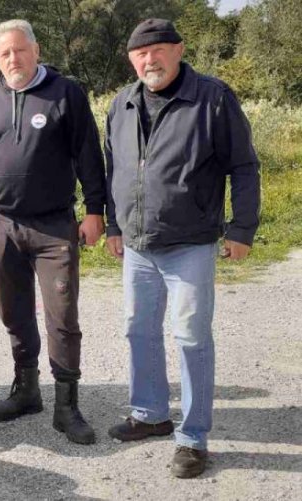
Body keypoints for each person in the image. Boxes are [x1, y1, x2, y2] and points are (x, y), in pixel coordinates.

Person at [104, 19, 260, 478]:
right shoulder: (122, 104)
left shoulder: (212, 98)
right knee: (138, 330)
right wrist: (114, 224)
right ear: (132, 60)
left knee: (191, 336)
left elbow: (244, 166)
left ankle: (192, 438)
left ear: (178, 50)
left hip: (191, 243)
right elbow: (114, 168)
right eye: (139, 54)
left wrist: (242, 228)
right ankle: (151, 415)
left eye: (158, 51)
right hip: (137, 245)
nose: (149, 60)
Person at [0, 19, 106, 445]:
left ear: (36, 51)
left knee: (62, 316)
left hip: (54, 226)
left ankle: (67, 405)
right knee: (13, 312)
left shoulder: (65, 95)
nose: (13, 59)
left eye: (20, 50)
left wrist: (95, 210)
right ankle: (26, 390)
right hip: (1, 225)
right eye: (5, 54)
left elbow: (89, 155)